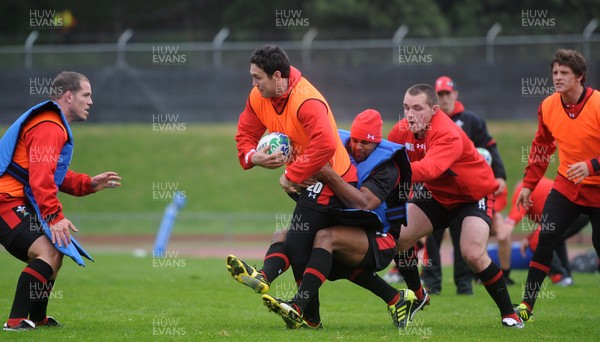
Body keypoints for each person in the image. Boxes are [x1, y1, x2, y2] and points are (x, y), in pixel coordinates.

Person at [260, 109, 428, 329]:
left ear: (377, 143)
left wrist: (328, 173)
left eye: (365, 143)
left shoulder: (387, 168)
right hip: (349, 227)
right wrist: (291, 178)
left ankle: (298, 308)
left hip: (381, 238)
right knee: (286, 235)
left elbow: (363, 204)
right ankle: (263, 279)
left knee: (326, 238)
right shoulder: (337, 146)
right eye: (355, 140)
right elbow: (319, 194)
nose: (357, 147)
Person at [229, 44, 357, 327]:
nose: (253, 83)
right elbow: (245, 134)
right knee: (307, 246)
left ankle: (274, 285)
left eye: (257, 77)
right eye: (252, 77)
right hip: (307, 182)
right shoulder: (258, 96)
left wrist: (292, 174)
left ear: (278, 76)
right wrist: (254, 157)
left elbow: (325, 144)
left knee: (297, 241)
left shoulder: (307, 100)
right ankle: (394, 298)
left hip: (335, 179)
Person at [388, 84, 523, 328]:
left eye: (418, 108)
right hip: (438, 196)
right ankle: (419, 296)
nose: (410, 114)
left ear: (434, 110)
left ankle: (509, 314)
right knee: (398, 239)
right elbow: (386, 158)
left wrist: (390, 173)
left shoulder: (447, 132)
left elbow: (430, 169)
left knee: (472, 254)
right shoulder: (401, 131)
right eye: (406, 107)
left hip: (473, 196)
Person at [0, 71, 122, 331]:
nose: (90, 101)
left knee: (56, 254)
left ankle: (38, 319)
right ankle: (14, 322)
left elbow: (51, 173)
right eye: (85, 95)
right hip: (4, 202)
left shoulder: (50, 123)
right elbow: (41, 177)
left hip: (12, 200)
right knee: (49, 251)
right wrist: (54, 217)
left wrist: (86, 183)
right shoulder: (50, 127)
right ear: (68, 96)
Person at [514, 49, 600, 322]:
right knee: (545, 238)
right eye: (555, 73)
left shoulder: (598, 104)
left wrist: (591, 166)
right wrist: (528, 184)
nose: (558, 77)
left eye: (564, 73)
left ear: (580, 77)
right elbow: (541, 148)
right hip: (567, 185)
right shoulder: (548, 106)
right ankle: (526, 306)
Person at [420, 76, 510, 294]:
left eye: (447, 94)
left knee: (464, 238)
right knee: (432, 236)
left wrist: (499, 175)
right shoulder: (429, 122)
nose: (444, 98)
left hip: (465, 191)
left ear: (455, 94)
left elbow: (489, 146)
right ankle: (432, 284)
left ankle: (464, 284)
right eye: (439, 95)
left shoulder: (470, 120)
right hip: (436, 189)